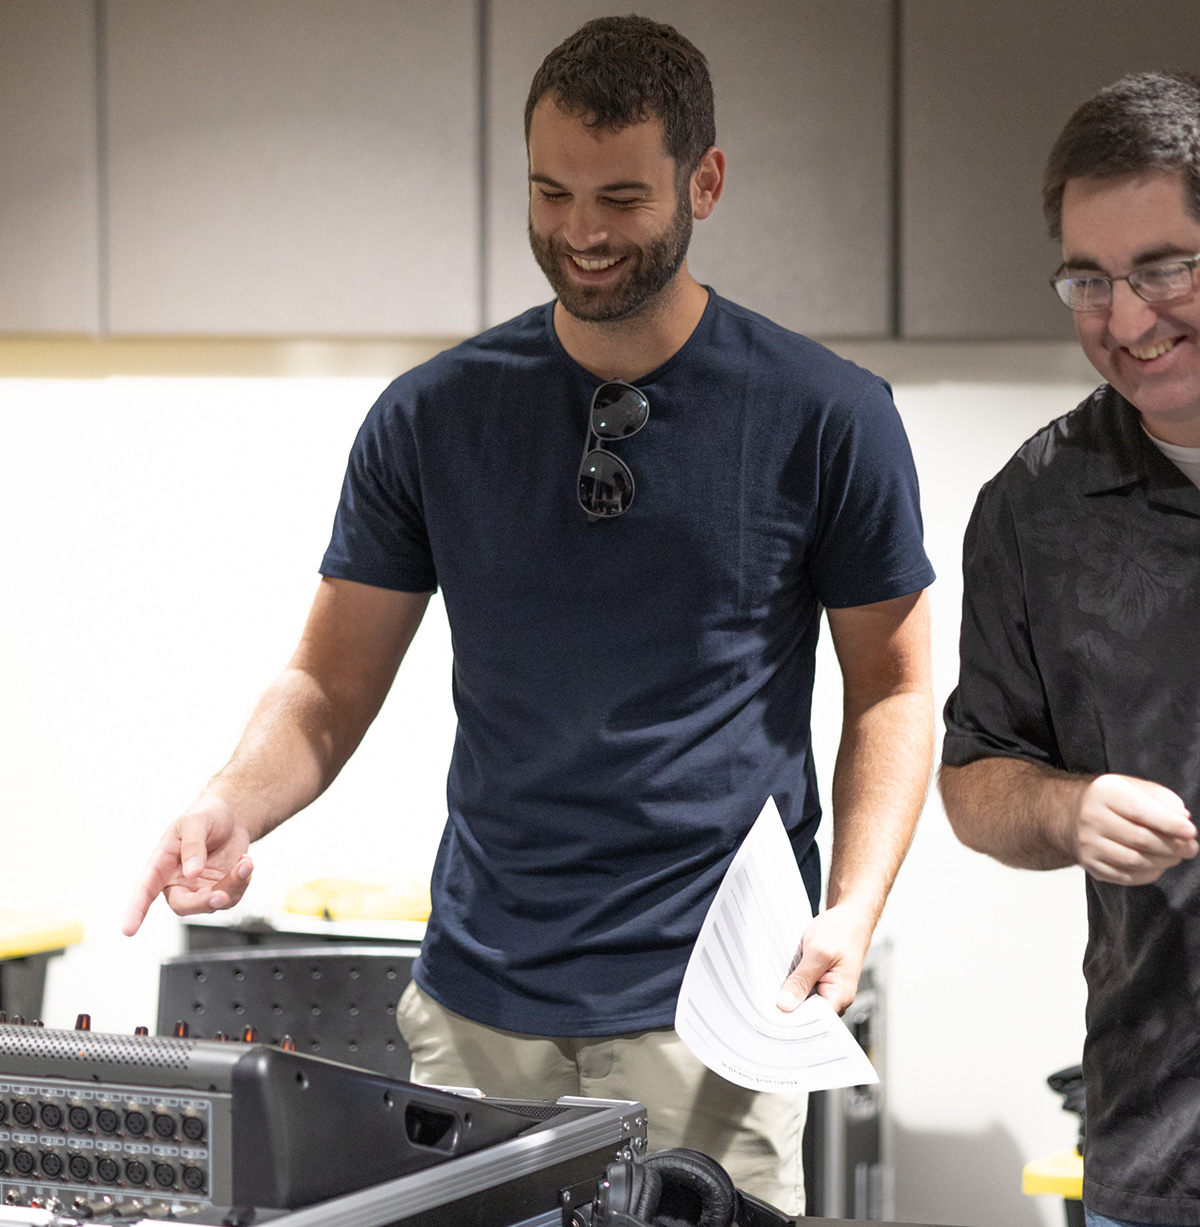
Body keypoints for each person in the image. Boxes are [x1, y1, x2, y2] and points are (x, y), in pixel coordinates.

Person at [123, 15, 934, 1214]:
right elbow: (327, 684)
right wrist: (230, 800)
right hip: (474, 1010)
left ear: (704, 180)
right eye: (551, 192)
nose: (582, 233)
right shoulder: (431, 417)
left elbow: (897, 688)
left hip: (714, 1010)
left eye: (620, 195)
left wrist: (855, 906)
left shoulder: (828, 416)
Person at [940, 71, 1200, 1227]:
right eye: (1090, 279)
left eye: (1164, 268)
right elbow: (975, 777)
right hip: (1158, 1143)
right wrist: (1067, 808)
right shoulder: (1033, 509)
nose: (1128, 319)